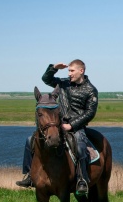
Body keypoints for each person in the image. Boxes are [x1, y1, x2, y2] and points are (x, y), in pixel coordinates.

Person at [16, 59, 99, 194]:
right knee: (30, 140)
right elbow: (46, 79)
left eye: (72, 71)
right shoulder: (63, 83)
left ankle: (81, 179)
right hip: (57, 124)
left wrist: (71, 125)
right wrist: (54, 68)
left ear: (81, 71)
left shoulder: (91, 90)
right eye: (68, 71)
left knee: (80, 146)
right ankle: (29, 175)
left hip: (76, 127)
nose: (69, 73)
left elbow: (90, 113)